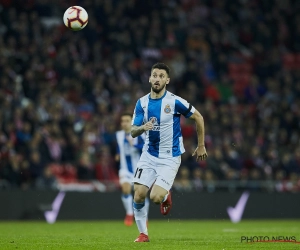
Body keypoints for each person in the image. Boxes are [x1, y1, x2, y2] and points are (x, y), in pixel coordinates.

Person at [131, 62, 208, 242]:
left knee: (155, 197)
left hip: (170, 157)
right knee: (139, 194)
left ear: (167, 80)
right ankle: (143, 234)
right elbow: (133, 131)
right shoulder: (141, 103)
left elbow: (198, 117)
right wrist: (143, 127)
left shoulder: (174, 101)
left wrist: (201, 144)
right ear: (149, 78)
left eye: (161, 76)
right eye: (154, 75)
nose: (157, 79)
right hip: (148, 155)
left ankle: (166, 195)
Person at [115, 113, 149, 226]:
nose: (124, 123)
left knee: (140, 194)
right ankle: (129, 214)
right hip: (125, 169)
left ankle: (145, 217)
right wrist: (118, 154)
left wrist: (134, 145)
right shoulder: (119, 135)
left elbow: (145, 148)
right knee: (125, 189)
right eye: (122, 121)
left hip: (139, 169)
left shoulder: (139, 134)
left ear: (132, 122)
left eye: (127, 120)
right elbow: (119, 147)